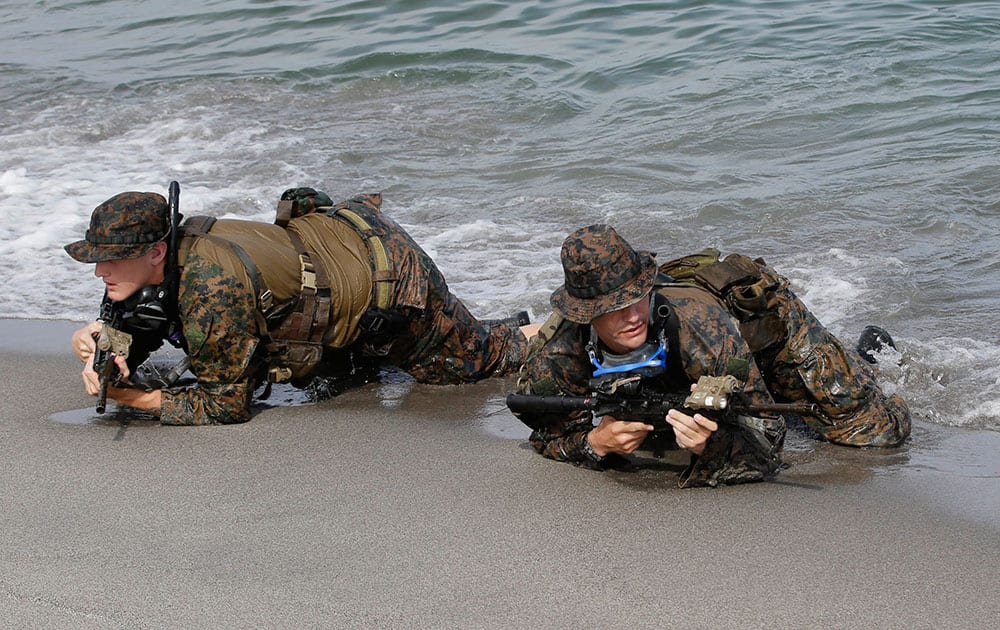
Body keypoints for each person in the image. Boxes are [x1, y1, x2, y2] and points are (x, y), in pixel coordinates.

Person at [67, 185, 539, 425]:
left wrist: (133, 398)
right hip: (333, 252)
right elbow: (136, 318)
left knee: (476, 361)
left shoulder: (210, 286)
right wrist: (102, 345)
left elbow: (224, 405)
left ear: (156, 252)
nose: (99, 272)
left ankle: (547, 328)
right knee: (358, 366)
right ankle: (460, 327)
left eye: (111, 260)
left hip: (388, 273)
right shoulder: (159, 267)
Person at [512, 224, 911, 488]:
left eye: (639, 296)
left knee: (875, 433)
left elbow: (768, 442)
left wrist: (713, 447)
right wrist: (596, 443)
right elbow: (549, 435)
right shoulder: (557, 352)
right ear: (585, 313)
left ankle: (868, 357)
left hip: (765, 328)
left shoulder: (703, 329)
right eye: (614, 307)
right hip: (710, 361)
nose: (633, 315)